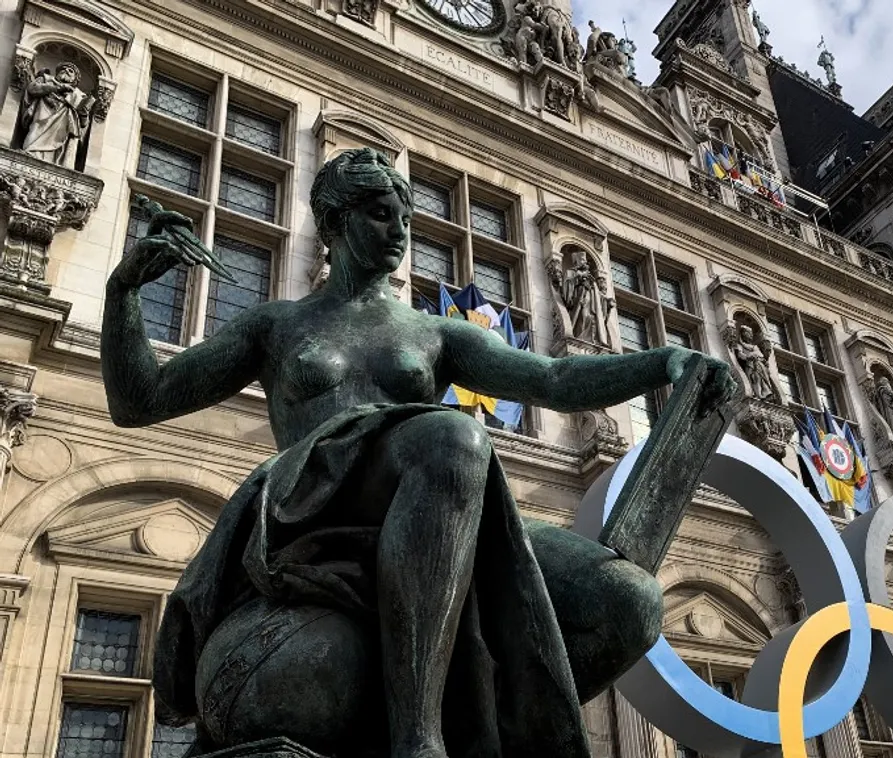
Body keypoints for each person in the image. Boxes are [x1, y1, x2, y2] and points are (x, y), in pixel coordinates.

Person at [103, 148, 735, 758]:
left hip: (431, 506)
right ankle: (417, 741)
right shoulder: (277, 325)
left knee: (628, 601)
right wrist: (124, 293)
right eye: (381, 213)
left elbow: (553, 381)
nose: (400, 230)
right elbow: (142, 398)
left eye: (405, 216)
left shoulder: (433, 333)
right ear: (333, 223)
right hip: (317, 511)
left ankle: (487, 736)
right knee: (453, 434)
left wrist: (662, 362)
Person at [18, 62, 92, 167]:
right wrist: (58, 88)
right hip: (41, 118)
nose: (66, 70)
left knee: (59, 151)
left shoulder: (78, 95)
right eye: (63, 69)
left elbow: (83, 124)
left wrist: (84, 112)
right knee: (33, 139)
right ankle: (31, 153)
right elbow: (32, 89)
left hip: (64, 126)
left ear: (75, 80)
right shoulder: (45, 79)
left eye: (70, 71)